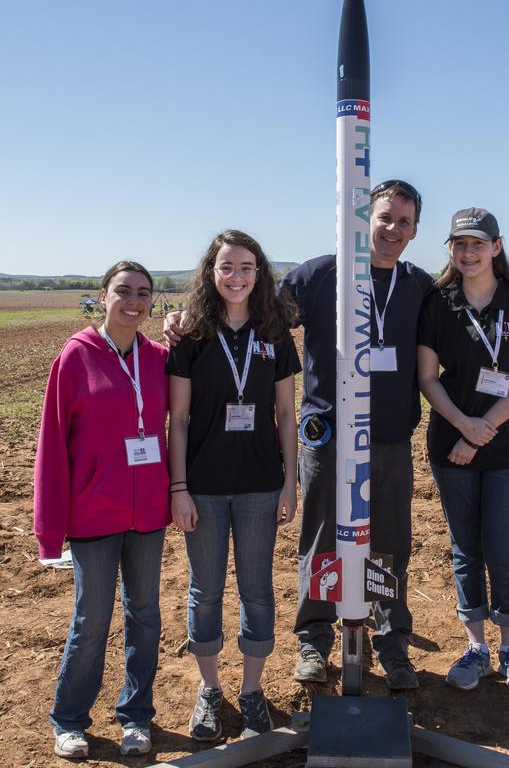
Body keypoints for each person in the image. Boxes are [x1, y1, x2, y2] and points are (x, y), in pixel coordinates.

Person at [163, 179, 509, 690]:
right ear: (365, 218)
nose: (392, 229)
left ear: (415, 231)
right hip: (326, 437)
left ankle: (390, 641)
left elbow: (476, 297)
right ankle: (314, 641)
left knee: (390, 544)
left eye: (404, 222)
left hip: (388, 439)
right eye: (384, 218)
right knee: (320, 538)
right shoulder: (319, 276)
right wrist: (189, 316)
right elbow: (251, 302)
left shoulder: (417, 287)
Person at [166, 230, 302, 740]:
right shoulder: (191, 336)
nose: (237, 276)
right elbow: (177, 419)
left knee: (257, 591)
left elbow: (287, 414)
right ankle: (208, 691)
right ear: (211, 273)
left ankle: (250, 692)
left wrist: (290, 483)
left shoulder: (275, 334)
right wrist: (178, 487)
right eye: (227, 267)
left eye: (247, 267)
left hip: (260, 487)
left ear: (259, 273)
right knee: (204, 592)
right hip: (201, 488)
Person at [33, 260, 171, 759]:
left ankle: (136, 716)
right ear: (102, 295)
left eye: (143, 293)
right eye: (123, 291)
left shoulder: (159, 358)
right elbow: (52, 445)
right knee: (91, 618)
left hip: (148, 512)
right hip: (93, 513)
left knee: (146, 615)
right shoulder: (76, 357)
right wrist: (49, 532)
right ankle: (69, 720)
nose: (134, 302)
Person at [416, 207, 509, 695]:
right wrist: (464, 430)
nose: (468, 253)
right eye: (459, 245)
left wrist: (481, 431)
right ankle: (476, 647)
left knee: (504, 547)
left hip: (507, 446)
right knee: (466, 548)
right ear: (451, 249)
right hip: (451, 444)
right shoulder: (438, 304)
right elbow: (427, 377)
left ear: (496, 246)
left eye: (478, 244)